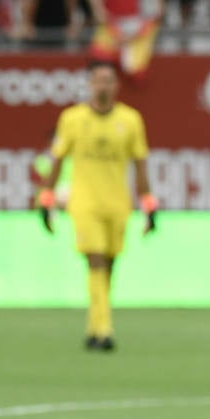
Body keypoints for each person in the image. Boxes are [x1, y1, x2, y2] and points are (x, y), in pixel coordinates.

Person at [37, 60, 157, 351]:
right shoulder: (72, 119)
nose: (104, 86)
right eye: (98, 80)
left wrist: (148, 204)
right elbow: (57, 160)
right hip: (85, 203)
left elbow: (140, 165)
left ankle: (94, 325)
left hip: (117, 203)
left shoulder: (130, 120)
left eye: (109, 81)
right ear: (90, 85)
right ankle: (104, 330)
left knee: (110, 264)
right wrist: (47, 197)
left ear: (116, 86)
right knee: (95, 260)